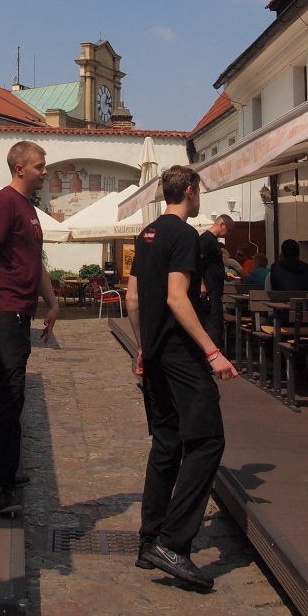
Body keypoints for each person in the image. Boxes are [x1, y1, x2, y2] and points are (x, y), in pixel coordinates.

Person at [126, 165, 237, 592]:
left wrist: (143, 345)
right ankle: (173, 543)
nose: (199, 197)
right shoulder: (185, 235)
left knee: (167, 443)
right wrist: (212, 351)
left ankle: (149, 541)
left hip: (155, 352)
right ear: (189, 191)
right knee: (208, 441)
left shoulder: (147, 234)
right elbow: (177, 298)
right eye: (199, 191)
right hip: (180, 354)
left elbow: (133, 298)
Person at [0, 141, 59, 518]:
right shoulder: (4, 202)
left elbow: (33, 262)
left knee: (0, 393)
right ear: (20, 168)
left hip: (19, 311)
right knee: (9, 395)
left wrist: (52, 302)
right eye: (40, 166)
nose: (45, 171)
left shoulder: (28, 208)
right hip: (5, 311)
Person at [199, 214, 233, 345]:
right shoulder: (207, 239)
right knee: (214, 324)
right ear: (222, 225)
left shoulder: (212, 240)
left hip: (214, 289)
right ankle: (212, 352)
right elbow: (197, 260)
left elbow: (209, 264)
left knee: (216, 323)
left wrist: (223, 274)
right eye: (229, 230)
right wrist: (201, 283)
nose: (229, 234)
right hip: (210, 290)